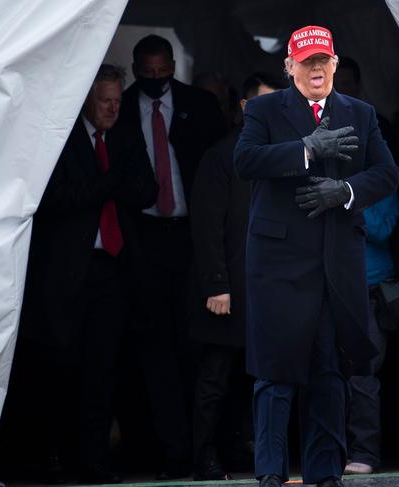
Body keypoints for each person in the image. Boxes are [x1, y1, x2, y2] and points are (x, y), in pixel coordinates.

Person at [234, 25, 398, 487]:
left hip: (334, 263)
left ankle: (324, 475)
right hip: (278, 264)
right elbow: (245, 161)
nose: (316, 69)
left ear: (335, 63)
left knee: (328, 370)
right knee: (275, 374)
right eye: (307, 62)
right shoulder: (265, 108)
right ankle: (270, 473)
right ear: (289, 67)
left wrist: (345, 190)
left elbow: (387, 174)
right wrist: (305, 150)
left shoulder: (360, 113)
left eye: (323, 61)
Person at [19, 64, 158, 484]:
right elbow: (58, 198)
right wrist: (112, 179)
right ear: (86, 99)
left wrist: (104, 184)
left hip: (112, 270)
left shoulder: (127, 135)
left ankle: (93, 461)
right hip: (66, 273)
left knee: (104, 368)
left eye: (118, 101)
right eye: (105, 102)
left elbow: (147, 191)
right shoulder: (61, 139)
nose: (114, 109)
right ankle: (55, 458)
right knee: (61, 367)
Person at [116, 34, 226, 480]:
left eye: (164, 74)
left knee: (197, 346)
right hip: (142, 239)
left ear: (174, 65)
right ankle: (165, 450)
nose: (156, 82)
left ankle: (205, 447)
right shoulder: (120, 108)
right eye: (148, 75)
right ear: (137, 69)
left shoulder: (200, 105)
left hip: (192, 237)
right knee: (152, 347)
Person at [189, 72, 283, 481]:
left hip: (266, 288)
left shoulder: (281, 153)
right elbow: (207, 224)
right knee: (215, 378)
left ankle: (242, 450)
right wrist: (216, 284)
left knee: (257, 377)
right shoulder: (222, 154)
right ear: (246, 108)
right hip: (229, 288)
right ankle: (204, 456)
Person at [344, 193, 399, 475]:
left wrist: (350, 198)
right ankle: (327, 450)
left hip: (369, 288)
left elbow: (382, 229)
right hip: (329, 286)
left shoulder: (379, 183)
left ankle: (364, 452)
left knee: (362, 374)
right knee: (325, 372)